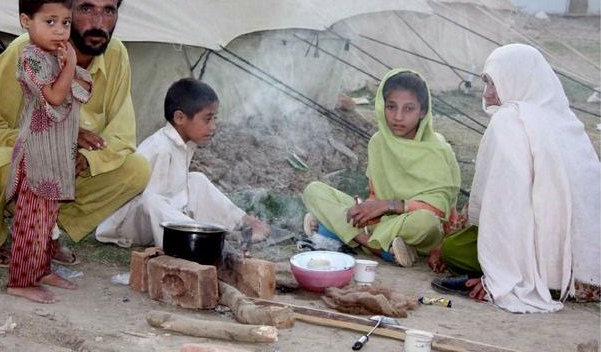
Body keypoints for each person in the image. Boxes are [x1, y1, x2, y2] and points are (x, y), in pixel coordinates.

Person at [0, 0, 151, 267]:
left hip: (66, 172)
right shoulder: (27, 53)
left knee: (135, 169)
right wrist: (58, 142)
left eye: (109, 11)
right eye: (86, 8)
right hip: (11, 162)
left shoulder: (116, 55)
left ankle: (47, 230)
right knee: (14, 159)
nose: (99, 22)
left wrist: (86, 158)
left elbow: (122, 136)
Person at [430, 44, 600, 313]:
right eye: (486, 83)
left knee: (454, 249)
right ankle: (545, 278)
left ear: (516, 81)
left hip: (540, 253)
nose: (487, 94)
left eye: (494, 84)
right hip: (590, 269)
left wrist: (501, 278)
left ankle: (528, 278)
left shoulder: (509, 120)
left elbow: (507, 210)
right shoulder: (568, 122)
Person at [302, 69, 460, 267]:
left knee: (424, 223)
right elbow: (375, 195)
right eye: (391, 107)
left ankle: (339, 232)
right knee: (314, 190)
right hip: (381, 222)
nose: (398, 116)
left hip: (413, 225)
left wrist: (388, 206)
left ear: (423, 111)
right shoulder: (378, 142)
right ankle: (376, 246)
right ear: (381, 106)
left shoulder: (437, 149)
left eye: (408, 109)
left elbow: (439, 209)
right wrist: (366, 208)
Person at [95, 78, 270, 247]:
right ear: (179, 117)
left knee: (196, 180)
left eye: (214, 119)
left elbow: (174, 195)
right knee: (153, 200)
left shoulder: (183, 144)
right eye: (207, 119)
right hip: (128, 226)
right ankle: (200, 240)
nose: (213, 126)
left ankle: (244, 222)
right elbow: (149, 203)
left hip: (162, 215)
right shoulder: (160, 148)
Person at [5, 0, 89, 303]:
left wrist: (68, 64)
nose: (59, 31)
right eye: (49, 22)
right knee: (30, 222)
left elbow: (79, 90)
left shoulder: (55, 55)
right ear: (27, 22)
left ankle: (41, 270)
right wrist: (70, 64)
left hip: (55, 153)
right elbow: (55, 97)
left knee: (46, 222)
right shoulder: (30, 57)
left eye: (65, 23)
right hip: (37, 154)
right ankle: (20, 280)